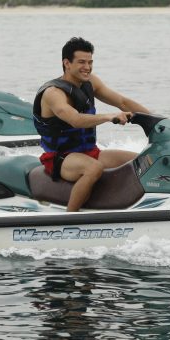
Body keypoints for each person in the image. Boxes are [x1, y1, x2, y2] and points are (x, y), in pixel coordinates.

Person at [33, 37, 150, 212]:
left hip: (89, 152)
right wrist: (109, 117)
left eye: (90, 62)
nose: (87, 67)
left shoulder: (91, 83)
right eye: (81, 62)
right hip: (60, 158)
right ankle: (69, 218)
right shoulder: (53, 94)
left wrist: (157, 119)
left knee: (144, 162)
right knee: (93, 168)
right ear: (67, 63)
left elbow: (122, 102)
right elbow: (75, 120)